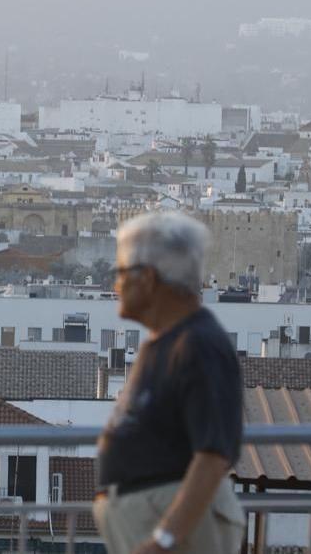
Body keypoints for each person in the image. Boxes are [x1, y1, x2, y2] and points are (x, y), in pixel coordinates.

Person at [94, 211, 246, 554]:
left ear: (147, 278)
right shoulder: (166, 343)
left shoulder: (199, 346)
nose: (115, 285)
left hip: (174, 531)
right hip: (151, 521)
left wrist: (165, 538)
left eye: (120, 273)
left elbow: (213, 455)